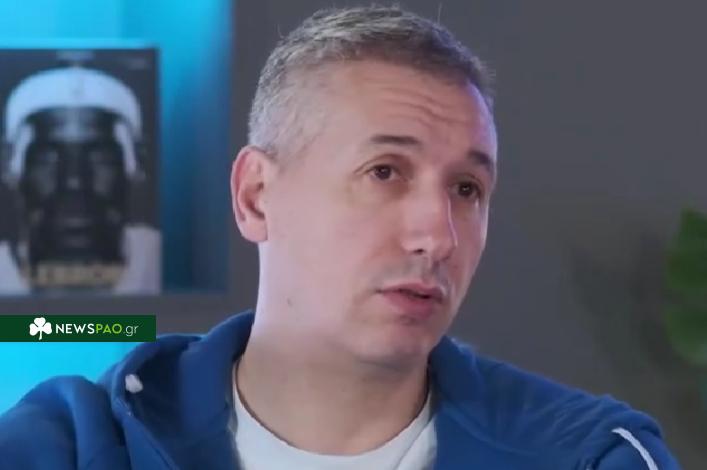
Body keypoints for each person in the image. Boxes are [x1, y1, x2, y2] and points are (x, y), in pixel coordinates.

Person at [0, 6, 680, 469]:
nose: (437, 236)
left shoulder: (589, 457)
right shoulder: (72, 445)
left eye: (467, 189)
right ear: (255, 196)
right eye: (384, 172)